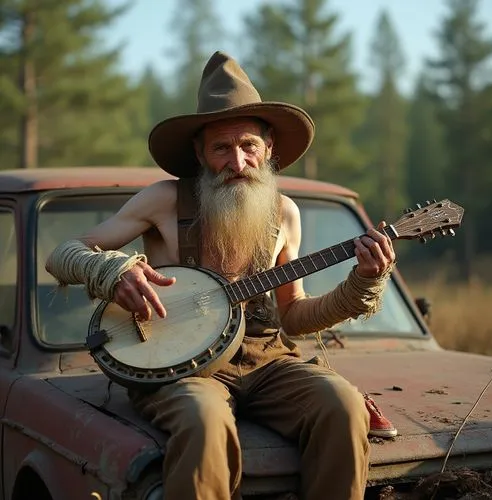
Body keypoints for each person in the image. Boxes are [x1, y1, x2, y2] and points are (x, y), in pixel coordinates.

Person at [46, 51, 397, 500]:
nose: (237, 161)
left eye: (248, 145)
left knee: (344, 406)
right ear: (199, 153)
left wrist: (362, 282)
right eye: (221, 148)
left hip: (266, 363)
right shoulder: (165, 201)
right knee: (205, 420)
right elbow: (62, 253)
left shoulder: (283, 213)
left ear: (268, 148)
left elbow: (292, 315)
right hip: (178, 368)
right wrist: (115, 271)